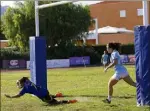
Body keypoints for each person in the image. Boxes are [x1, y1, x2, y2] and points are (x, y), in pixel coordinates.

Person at [5, 77, 77, 105]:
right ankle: (57, 95)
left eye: (20, 83)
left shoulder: (25, 89)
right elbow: (24, 78)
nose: (19, 85)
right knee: (48, 96)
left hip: (43, 95)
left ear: (23, 83)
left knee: (54, 103)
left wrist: (11, 97)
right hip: (45, 91)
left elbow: (18, 95)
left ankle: (69, 101)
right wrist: (20, 80)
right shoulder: (27, 81)